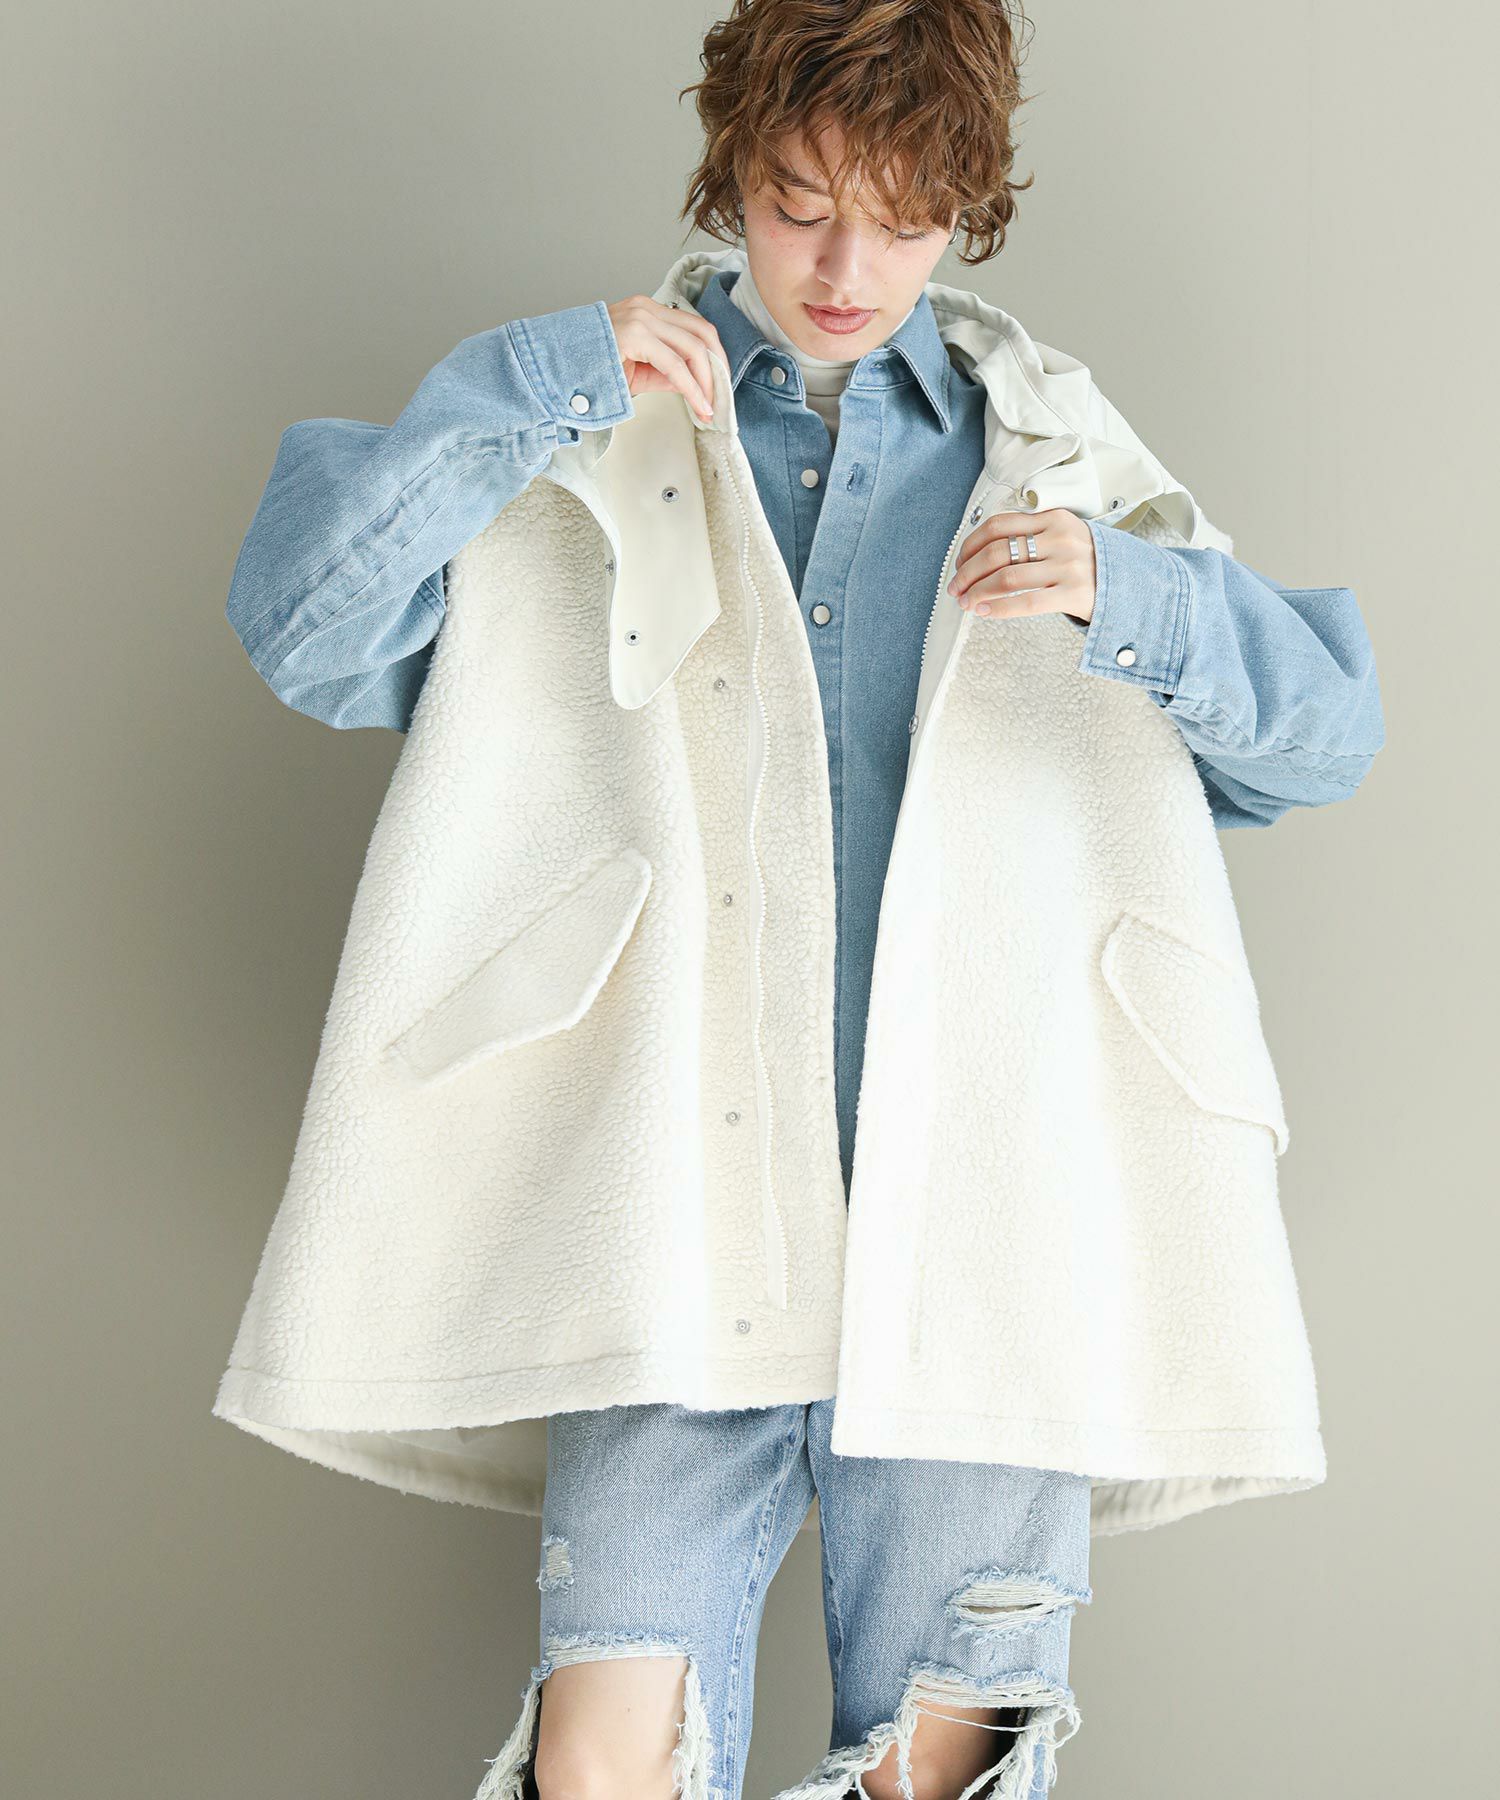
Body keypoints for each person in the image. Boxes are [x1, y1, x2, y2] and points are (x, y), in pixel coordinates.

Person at [213, 5, 1385, 1798]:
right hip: (677, 1215)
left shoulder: (1052, 447)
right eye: (799, 205)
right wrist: (538, 379)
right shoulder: (586, 414)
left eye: (904, 222)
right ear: (730, 176)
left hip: (985, 1236)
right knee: (601, 1767)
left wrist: (1131, 598)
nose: (846, 272)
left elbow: (1320, 742)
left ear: (967, 210)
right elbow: (304, 628)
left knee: (942, 1776)